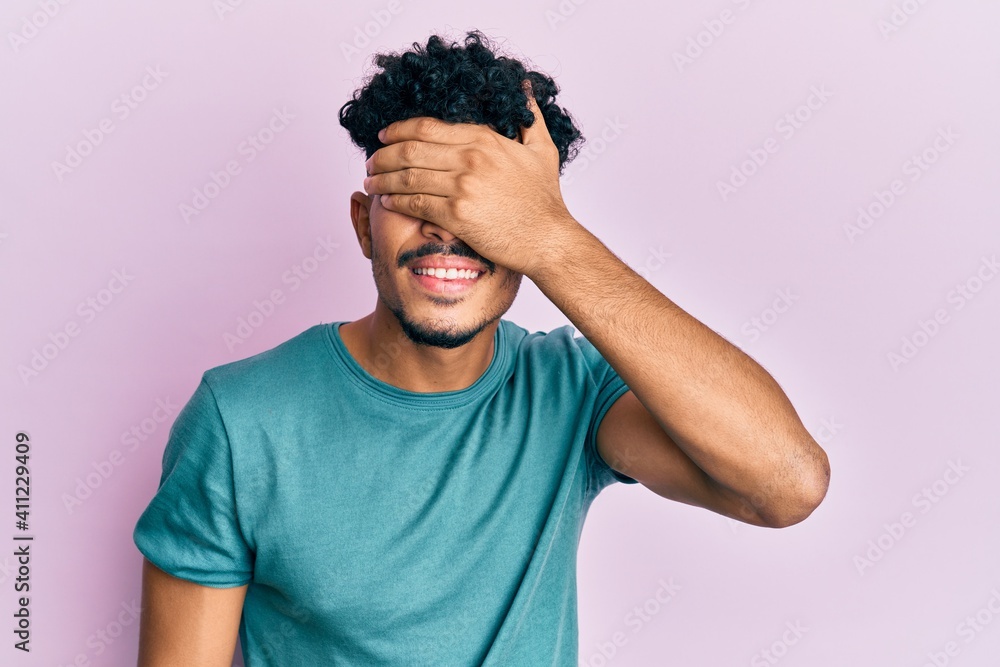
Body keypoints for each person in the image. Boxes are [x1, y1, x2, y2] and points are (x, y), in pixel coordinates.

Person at [133, 29, 830, 666]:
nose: (449, 233)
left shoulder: (574, 392)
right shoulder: (239, 419)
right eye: (417, 198)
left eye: (483, 209)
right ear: (361, 223)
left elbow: (787, 483)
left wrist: (554, 238)